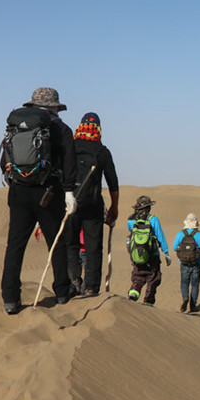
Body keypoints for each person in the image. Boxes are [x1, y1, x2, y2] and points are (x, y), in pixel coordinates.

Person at [0, 87, 78, 315]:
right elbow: (69, 163)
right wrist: (69, 192)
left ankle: (10, 298)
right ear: (55, 107)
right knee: (56, 242)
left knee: (15, 245)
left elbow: (6, 158)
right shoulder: (61, 129)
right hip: (48, 193)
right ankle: (63, 291)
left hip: (18, 191)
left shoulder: (15, 127)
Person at [64, 112, 119, 298]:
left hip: (70, 202)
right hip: (93, 205)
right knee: (93, 247)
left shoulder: (69, 147)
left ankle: (74, 280)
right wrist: (114, 207)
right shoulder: (102, 151)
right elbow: (113, 183)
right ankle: (91, 287)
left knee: (70, 243)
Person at [126, 195, 171, 306]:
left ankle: (134, 291)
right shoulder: (153, 219)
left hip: (136, 254)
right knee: (154, 276)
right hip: (152, 254)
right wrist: (166, 253)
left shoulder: (131, 220)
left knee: (138, 275)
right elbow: (160, 236)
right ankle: (148, 299)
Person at [172, 213, 200, 313]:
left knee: (184, 283)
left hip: (183, 262)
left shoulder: (180, 234)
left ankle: (185, 298)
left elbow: (174, 247)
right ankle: (193, 306)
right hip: (197, 263)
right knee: (195, 284)